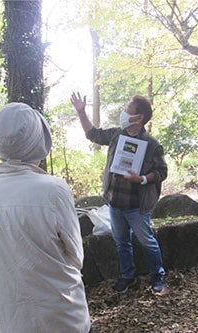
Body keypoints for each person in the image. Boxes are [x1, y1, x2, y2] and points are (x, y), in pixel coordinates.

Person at [0, 102, 91, 333]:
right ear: (38, 139)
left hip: (10, 318)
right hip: (61, 316)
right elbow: (75, 257)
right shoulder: (53, 190)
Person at [70, 92, 168, 293]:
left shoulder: (151, 144)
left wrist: (140, 179)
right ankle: (127, 276)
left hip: (137, 206)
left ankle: (158, 276)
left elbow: (161, 171)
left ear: (139, 117)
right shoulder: (117, 134)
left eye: (128, 109)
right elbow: (93, 134)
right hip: (115, 202)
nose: (124, 112)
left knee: (147, 242)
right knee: (121, 242)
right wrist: (81, 112)